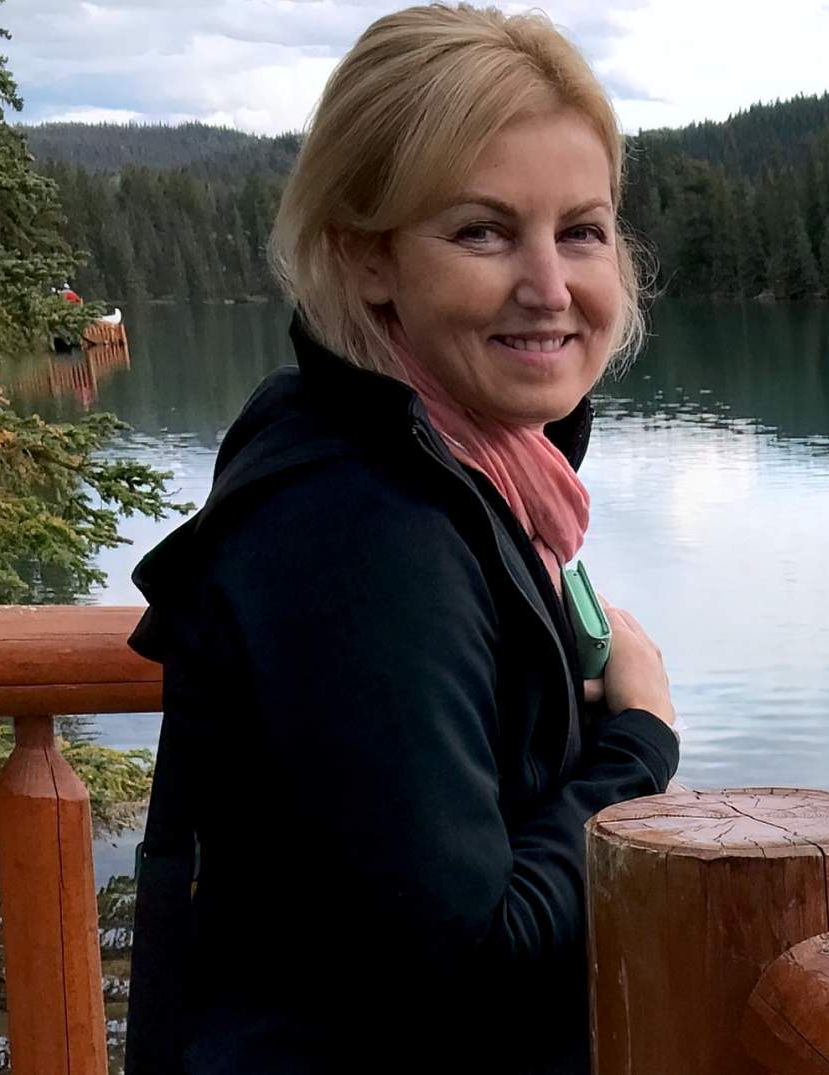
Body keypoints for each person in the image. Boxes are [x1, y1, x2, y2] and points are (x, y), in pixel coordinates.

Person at [124, 5, 679, 1073]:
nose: (551, 287)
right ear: (366, 258)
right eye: (482, 230)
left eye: (582, 229)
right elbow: (470, 956)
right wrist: (640, 744)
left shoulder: (451, 470)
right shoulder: (361, 525)